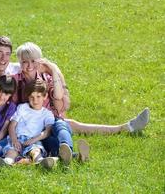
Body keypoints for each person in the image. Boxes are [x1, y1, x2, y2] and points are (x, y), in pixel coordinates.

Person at [12, 42, 150, 158]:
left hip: (49, 121)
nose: (29, 65)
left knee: (67, 125)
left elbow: (59, 96)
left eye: (33, 61)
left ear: (40, 61)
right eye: (24, 62)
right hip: (30, 126)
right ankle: (71, 155)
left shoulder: (45, 78)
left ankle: (125, 128)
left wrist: (53, 70)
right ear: (19, 62)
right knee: (60, 133)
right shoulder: (16, 81)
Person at [0, 79, 72, 168]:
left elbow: (47, 131)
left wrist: (33, 140)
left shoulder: (47, 113)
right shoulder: (22, 108)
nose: (35, 100)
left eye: (38, 96)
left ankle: (41, 162)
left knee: (35, 150)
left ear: (45, 96)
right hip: (17, 138)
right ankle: (7, 161)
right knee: (11, 150)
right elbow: (12, 125)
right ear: (28, 97)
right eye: (31, 97)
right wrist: (14, 139)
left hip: (34, 139)